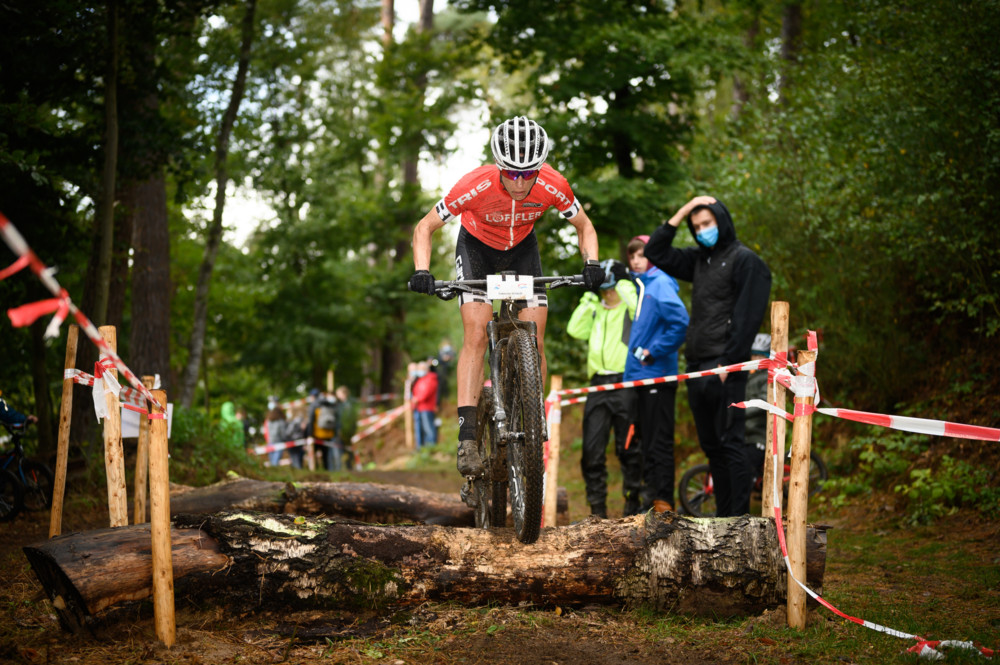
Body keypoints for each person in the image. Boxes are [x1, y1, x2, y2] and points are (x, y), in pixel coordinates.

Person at [408, 116, 603, 478]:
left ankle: (531, 418)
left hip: (522, 250)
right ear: (499, 167)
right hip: (477, 249)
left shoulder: (553, 185)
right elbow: (425, 226)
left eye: (529, 174)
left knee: (534, 333)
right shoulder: (474, 185)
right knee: (477, 332)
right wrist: (422, 270)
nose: (520, 182)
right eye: (512, 174)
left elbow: (585, 226)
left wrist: (591, 261)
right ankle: (467, 439)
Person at [644, 196, 772, 517]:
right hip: (697, 367)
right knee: (713, 448)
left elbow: (747, 318)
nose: (702, 231)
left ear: (722, 221)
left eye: (707, 224)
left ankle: (738, 522)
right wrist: (683, 211)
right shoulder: (700, 261)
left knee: (732, 446)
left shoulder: (746, 261)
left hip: (725, 367)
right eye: (696, 226)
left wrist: (728, 363)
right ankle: (722, 520)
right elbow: (655, 252)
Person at [567, 259, 642, 519]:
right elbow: (574, 330)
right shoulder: (596, 308)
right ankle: (597, 511)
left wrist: (625, 286)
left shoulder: (630, 311)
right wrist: (588, 300)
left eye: (610, 289)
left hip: (625, 382)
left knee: (629, 449)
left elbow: (640, 311)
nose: (606, 295)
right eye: (603, 290)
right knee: (591, 451)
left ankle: (632, 508)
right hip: (597, 383)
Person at [623, 235, 690, 514]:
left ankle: (663, 503)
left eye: (642, 255)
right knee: (644, 442)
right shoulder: (643, 286)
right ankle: (651, 501)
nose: (636, 260)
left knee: (658, 442)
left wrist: (653, 352)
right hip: (639, 377)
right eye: (632, 256)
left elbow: (680, 322)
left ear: (653, 257)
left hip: (657, 376)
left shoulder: (660, 283)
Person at [744, 333, 772, 476]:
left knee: (746, 470)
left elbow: (763, 401)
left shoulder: (769, 377)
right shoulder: (748, 376)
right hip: (744, 434)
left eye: (761, 356)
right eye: (754, 355)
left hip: (759, 435)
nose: (756, 360)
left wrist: (741, 411)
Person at [306, 388, 342, 471]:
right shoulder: (331, 404)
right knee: (326, 456)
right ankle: (327, 470)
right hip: (328, 435)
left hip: (316, 435)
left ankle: (315, 471)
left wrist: (309, 434)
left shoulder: (314, 405)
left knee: (313, 454)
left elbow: (311, 421)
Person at [411, 360, 439, 448]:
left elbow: (426, 393)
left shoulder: (430, 379)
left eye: (420, 369)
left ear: (426, 369)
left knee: (428, 429)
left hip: (427, 408)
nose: (419, 371)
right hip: (420, 407)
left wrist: (417, 398)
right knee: (423, 429)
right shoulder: (421, 379)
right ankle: (425, 448)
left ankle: (431, 448)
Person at [335, 386, 359, 470]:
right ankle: (348, 467)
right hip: (346, 430)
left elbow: (347, 419)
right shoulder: (344, 404)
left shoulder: (347, 404)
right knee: (347, 449)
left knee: (346, 450)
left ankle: (349, 467)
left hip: (346, 430)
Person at [264, 399, 288, 467]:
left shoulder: (268, 421)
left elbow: (266, 431)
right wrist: (285, 440)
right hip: (278, 442)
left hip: (270, 441)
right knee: (275, 462)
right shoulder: (281, 421)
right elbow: (283, 433)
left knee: (272, 461)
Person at [435, 340, 455, 405]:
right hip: (442, 372)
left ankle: (446, 398)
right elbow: (439, 360)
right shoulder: (441, 352)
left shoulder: (451, 351)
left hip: (448, 371)